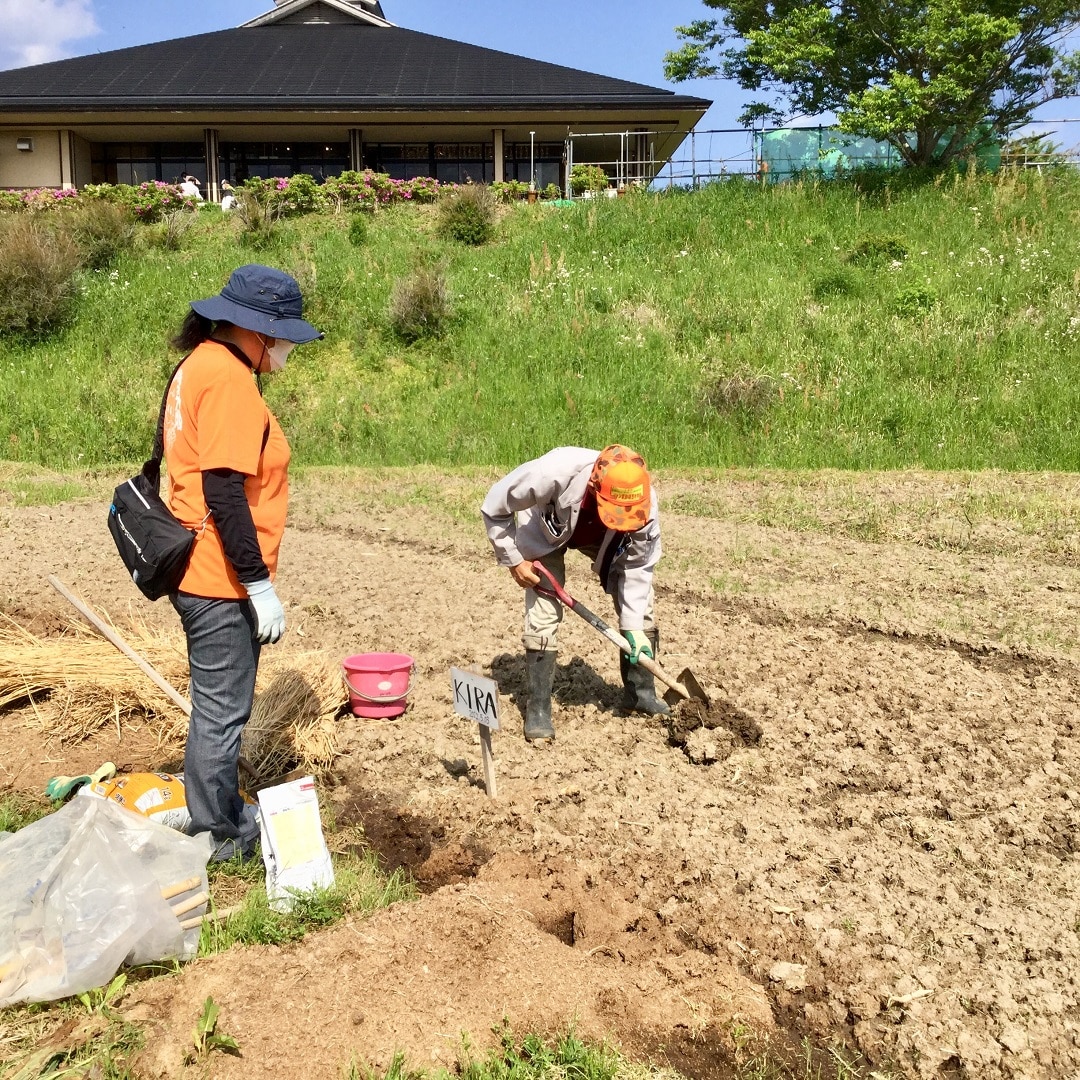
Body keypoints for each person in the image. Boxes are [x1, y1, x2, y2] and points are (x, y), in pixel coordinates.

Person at [163, 264, 322, 860]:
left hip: (197, 563)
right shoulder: (230, 380)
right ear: (254, 331)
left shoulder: (197, 364)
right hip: (217, 575)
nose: (284, 349)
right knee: (223, 711)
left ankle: (215, 811)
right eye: (281, 336)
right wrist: (257, 585)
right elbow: (225, 491)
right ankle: (218, 834)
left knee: (217, 705)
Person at [481, 444, 669, 743]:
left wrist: (634, 628)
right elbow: (495, 505)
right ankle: (538, 708)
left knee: (640, 608)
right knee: (543, 611)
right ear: (595, 486)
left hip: (606, 536)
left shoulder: (643, 503)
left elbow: (638, 564)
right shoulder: (552, 472)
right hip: (546, 527)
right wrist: (514, 559)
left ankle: (641, 694)